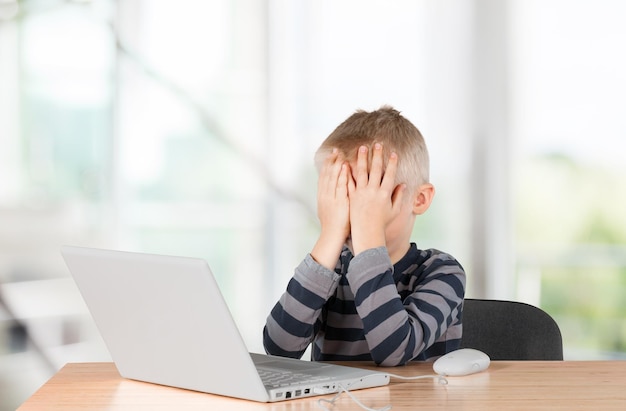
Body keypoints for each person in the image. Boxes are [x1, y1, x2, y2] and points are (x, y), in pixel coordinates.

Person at [263, 106, 466, 366]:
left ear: (419, 199)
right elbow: (279, 349)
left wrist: (368, 233)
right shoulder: (329, 270)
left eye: (368, 199)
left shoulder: (442, 272)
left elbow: (394, 351)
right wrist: (329, 234)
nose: (351, 213)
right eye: (339, 197)